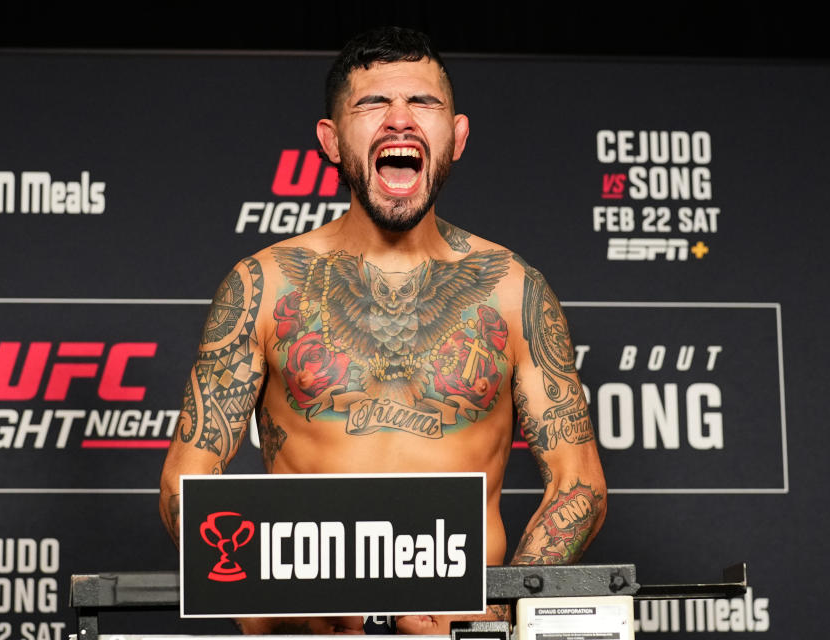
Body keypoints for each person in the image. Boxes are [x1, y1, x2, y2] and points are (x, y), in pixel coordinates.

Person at [159, 26, 607, 635]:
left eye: (423, 103)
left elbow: (578, 483)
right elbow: (187, 478)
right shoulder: (263, 287)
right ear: (332, 140)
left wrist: (502, 606)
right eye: (373, 104)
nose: (400, 121)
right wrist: (276, 581)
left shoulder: (512, 291)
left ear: (457, 136)